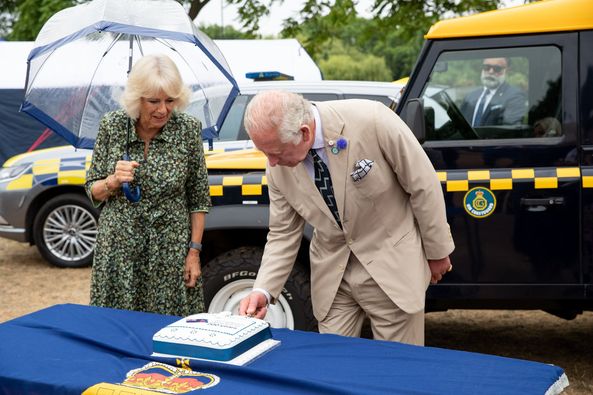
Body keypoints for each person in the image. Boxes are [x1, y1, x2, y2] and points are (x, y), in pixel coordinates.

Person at [238, 91, 455, 346]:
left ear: (305, 133)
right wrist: (263, 290)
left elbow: (423, 185)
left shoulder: (372, 120)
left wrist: (437, 252)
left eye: (275, 152)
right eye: (265, 153)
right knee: (333, 365)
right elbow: (283, 233)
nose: (271, 163)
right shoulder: (276, 168)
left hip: (391, 264)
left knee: (400, 370)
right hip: (333, 277)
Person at [85, 54, 211, 316]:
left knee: (169, 328)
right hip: (119, 249)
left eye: (170, 101)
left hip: (170, 249)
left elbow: (198, 198)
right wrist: (112, 181)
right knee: (116, 325)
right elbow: (93, 191)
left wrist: (194, 253)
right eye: (153, 101)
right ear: (136, 99)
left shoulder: (188, 129)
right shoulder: (113, 126)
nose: (163, 110)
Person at [460, 57, 527, 127]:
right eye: (486, 67)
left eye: (497, 68)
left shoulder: (515, 96)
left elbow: (509, 130)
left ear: (507, 71)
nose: (491, 72)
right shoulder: (470, 96)